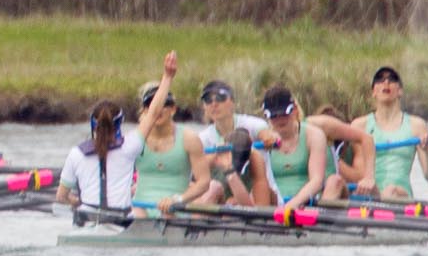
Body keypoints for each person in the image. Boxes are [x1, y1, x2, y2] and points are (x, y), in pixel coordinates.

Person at [312, 65, 428, 200]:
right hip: (370, 192)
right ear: (373, 91)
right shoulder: (359, 125)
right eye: (380, 79)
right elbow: (356, 173)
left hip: (401, 194)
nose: (386, 83)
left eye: (392, 79)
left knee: (391, 190)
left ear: (400, 91)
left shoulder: (416, 125)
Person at [129, 52, 221, 219]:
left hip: (175, 210)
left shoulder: (189, 139)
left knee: (168, 216)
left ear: (173, 109)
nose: (158, 110)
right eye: (151, 106)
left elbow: (203, 182)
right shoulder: (134, 139)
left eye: (165, 105)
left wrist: (178, 199)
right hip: (139, 208)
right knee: (137, 217)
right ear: (144, 111)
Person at [193, 78, 274, 209]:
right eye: (208, 100)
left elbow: (265, 133)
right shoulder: (202, 139)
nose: (214, 104)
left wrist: (269, 139)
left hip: (260, 192)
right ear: (204, 106)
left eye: (220, 98)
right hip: (223, 194)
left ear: (232, 102)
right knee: (213, 188)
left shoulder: (253, 124)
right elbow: (196, 175)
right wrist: (214, 159)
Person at [56, 99, 146, 214]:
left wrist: (77, 202)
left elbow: (61, 196)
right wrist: (166, 80)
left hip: (87, 219)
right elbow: (153, 114)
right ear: (120, 123)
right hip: (120, 223)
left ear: (93, 125)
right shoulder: (131, 145)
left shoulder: (76, 153)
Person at [260, 84, 331, 212]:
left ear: (294, 110)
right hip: (273, 203)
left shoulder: (314, 135)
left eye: (284, 114)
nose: (279, 119)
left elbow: (316, 180)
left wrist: (291, 205)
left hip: (308, 203)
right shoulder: (262, 140)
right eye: (274, 116)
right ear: (267, 116)